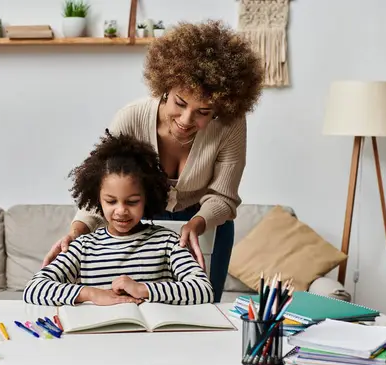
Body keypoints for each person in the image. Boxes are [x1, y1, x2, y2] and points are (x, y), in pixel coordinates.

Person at [42, 20, 264, 303]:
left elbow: (224, 196)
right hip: (144, 227)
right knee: (146, 308)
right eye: (180, 103)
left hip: (205, 226)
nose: (186, 121)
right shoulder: (131, 117)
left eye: (203, 112)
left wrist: (196, 223)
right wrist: (77, 231)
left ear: (222, 107)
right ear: (165, 86)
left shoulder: (230, 125)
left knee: (206, 308)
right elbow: (105, 181)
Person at [23, 132, 214, 306]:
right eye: (111, 201)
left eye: (132, 202)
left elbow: (203, 289)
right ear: (98, 199)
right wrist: (91, 294)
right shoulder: (83, 247)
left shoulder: (167, 242)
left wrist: (144, 290)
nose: (121, 211)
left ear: (147, 197)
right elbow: (33, 289)